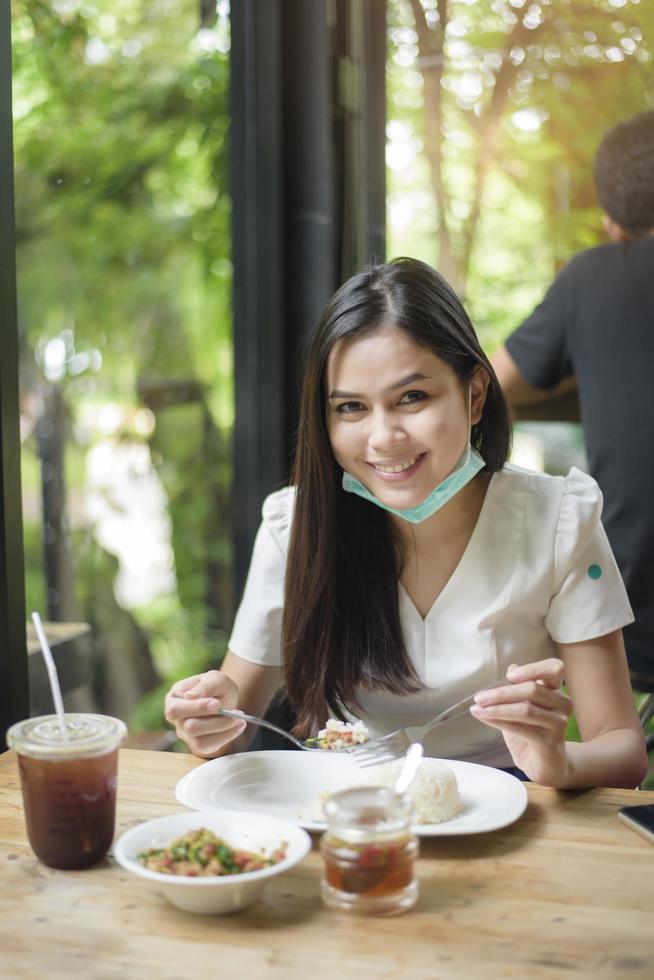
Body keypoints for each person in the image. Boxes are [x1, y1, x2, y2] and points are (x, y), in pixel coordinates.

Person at [165, 257, 647, 789]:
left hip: (510, 803)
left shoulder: (560, 521)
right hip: (345, 808)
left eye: (412, 397)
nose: (383, 436)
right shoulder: (295, 527)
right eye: (351, 408)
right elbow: (230, 722)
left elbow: (622, 748)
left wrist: (558, 762)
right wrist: (209, 719)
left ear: (475, 395)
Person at [492, 109, 654, 692]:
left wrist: (586, 359)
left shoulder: (589, 279)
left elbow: (484, 386)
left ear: (611, 221)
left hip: (630, 614)